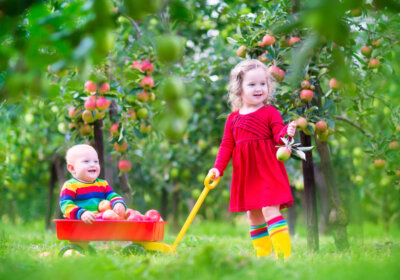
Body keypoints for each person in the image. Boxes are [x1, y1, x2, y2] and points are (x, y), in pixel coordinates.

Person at [207, 59, 296, 259]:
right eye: (252, 84)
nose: (259, 89)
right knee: (253, 214)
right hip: (247, 173)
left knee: (269, 208)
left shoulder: (269, 112)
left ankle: (284, 256)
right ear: (239, 89)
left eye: (263, 84)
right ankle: (262, 257)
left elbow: (278, 138)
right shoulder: (233, 119)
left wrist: (287, 133)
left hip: (267, 169)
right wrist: (217, 169)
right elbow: (226, 146)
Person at [59, 144, 127, 224]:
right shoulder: (70, 185)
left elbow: (112, 195)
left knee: (111, 218)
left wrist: (118, 203)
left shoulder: (102, 184)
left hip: (100, 224)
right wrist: (81, 213)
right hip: (80, 225)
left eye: (96, 161)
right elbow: (65, 205)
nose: (92, 164)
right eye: (86, 161)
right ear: (72, 168)